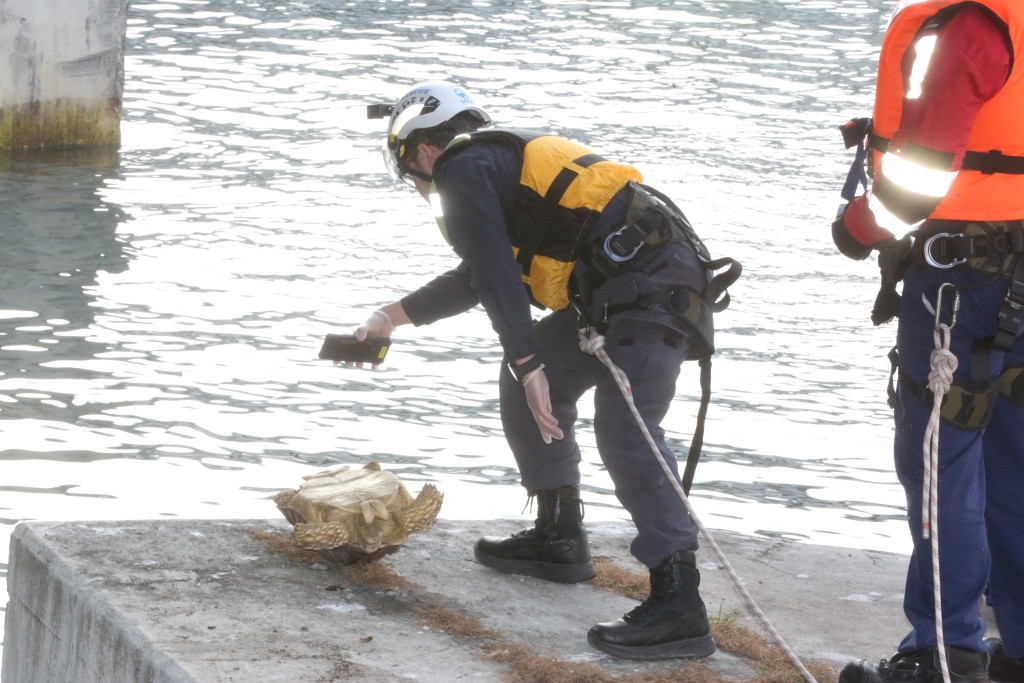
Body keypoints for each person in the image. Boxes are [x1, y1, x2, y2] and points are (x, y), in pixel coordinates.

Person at [357, 81, 738, 661]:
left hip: (653, 294)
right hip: (614, 296)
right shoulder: (496, 164)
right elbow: (481, 273)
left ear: (421, 153)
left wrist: (530, 360)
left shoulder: (461, 171)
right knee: (523, 385)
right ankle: (559, 536)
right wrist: (391, 316)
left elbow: (495, 279)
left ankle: (679, 603)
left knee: (626, 433)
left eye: (408, 173)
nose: (416, 187)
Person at [832, 2, 1024, 681]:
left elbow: (923, 171)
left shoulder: (974, 26)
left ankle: (944, 652)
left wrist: (860, 226)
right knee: (1014, 467)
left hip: (961, 280)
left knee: (942, 467)